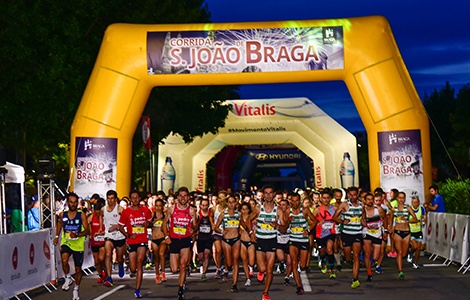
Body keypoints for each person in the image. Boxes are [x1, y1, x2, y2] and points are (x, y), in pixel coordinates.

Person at [162, 187, 197, 300]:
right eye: (180, 196)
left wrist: (193, 229)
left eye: (185, 196)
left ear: (188, 197)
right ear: (178, 197)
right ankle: (183, 276)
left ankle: (181, 289)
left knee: (182, 265)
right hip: (174, 240)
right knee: (173, 269)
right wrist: (166, 236)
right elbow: (164, 224)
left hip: (186, 240)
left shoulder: (192, 210)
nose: (183, 198)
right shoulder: (171, 209)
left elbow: (195, 225)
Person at [53, 192, 90, 300]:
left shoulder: (81, 214)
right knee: (64, 260)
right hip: (67, 242)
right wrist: (56, 236)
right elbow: (59, 223)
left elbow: (87, 231)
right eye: (71, 202)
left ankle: (76, 290)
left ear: (77, 203)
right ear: (68, 203)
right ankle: (68, 277)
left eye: (75, 202)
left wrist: (78, 234)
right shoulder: (62, 214)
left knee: (78, 270)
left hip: (78, 244)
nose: (73, 204)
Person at [252, 184, 286, 300]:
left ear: (274, 194)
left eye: (270, 193)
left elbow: (284, 228)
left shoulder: (278, 210)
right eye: (266, 193)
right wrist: (251, 233)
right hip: (260, 240)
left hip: (272, 240)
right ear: (263, 195)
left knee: (269, 269)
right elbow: (247, 220)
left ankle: (265, 293)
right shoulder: (258, 208)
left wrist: (277, 225)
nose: (268, 195)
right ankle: (260, 272)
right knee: (262, 268)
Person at [118, 190, 152, 298]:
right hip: (132, 241)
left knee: (139, 262)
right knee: (133, 268)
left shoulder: (145, 210)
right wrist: (128, 234)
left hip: (142, 239)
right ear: (130, 199)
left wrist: (148, 223)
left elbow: (150, 221)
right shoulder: (126, 212)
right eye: (133, 198)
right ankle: (129, 267)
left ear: (139, 198)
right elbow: (120, 226)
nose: (135, 199)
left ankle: (137, 289)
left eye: (137, 197)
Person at [333, 186, 363, 289]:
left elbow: (363, 215)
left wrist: (363, 221)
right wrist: (342, 221)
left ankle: (355, 279)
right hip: (346, 233)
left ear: (357, 195)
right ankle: (345, 258)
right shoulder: (344, 205)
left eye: (355, 195)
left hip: (357, 233)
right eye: (350, 195)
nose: (353, 197)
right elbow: (334, 217)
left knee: (356, 256)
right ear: (348, 195)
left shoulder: (361, 204)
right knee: (348, 257)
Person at [287, 192, 315, 295]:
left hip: (303, 240)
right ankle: (299, 286)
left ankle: (300, 269)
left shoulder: (305, 210)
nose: (295, 203)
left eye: (296, 200)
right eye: (292, 201)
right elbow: (284, 225)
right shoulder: (288, 211)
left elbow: (315, 221)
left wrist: (308, 229)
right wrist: (288, 221)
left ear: (300, 201)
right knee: (294, 262)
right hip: (293, 239)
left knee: (302, 265)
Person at [214, 194, 242, 292]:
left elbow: (243, 224)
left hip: (236, 239)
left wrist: (242, 230)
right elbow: (215, 227)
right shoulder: (223, 214)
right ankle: (226, 269)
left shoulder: (239, 214)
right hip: (226, 240)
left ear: (236, 203)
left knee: (235, 261)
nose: (231, 204)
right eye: (229, 202)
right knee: (229, 262)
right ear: (226, 203)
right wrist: (221, 231)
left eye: (233, 202)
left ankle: (234, 284)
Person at [100, 190, 127, 287]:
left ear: (116, 199)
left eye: (112, 198)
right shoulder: (103, 209)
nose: (110, 201)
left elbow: (126, 221)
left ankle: (120, 264)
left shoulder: (120, 209)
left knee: (119, 257)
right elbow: (100, 216)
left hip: (120, 236)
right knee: (108, 254)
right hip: (109, 235)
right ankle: (109, 276)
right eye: (108, 198)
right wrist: (101, 228)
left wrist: (117, 226)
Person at [390, 191, 418, 279]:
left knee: (404, 253)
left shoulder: (408, 208)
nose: (401, 199)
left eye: (403, 198)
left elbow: (415, 219)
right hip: (398, 232)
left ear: (405, 199)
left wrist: (407, 220)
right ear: (397, 198)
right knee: (399, 252)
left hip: (406, 232)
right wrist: (391, 228)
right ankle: (400, 271)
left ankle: (404, 261)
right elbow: (390, 219)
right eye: (400, 198)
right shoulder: (394, 208)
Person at [312, 190, 337, 279]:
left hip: (331, 232)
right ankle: (322, 260)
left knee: (330, 249)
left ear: (330, 199)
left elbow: (338, 218)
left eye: (327, 198)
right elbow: (311, 220)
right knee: (322, 251)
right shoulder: (317, 210)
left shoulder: (334, 209)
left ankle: (331, 270)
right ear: (321, 199)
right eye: (324, 198)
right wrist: (318, 222)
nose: (326, 200)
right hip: (320, 234)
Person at [362, 193, 385, 282]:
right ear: (365, 200)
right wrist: (362, 222)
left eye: (371, 199)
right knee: (367, 254)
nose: (370, 201)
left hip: (377, 233)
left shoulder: (378, 209)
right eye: (368, 199)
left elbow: (385, 219)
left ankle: (371, 259)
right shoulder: (362, 210)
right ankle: (369, 274)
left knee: (375, 257)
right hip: (366, 232)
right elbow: (360, 219)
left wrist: (386, 230)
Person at [88, 198, 106, 285]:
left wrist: (102, 232)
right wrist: (90, 232)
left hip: (102, 241)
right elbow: (87, 225)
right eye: (96, 213)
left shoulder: (104, 217)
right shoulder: (91, 216)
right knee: (96, 260)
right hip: (94, 241)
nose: (98, 214)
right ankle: (100, 275)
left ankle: (104, 270)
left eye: (99, 213)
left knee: (102, 258)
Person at [150, 198, 168, 284]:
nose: (158, 207)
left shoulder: (165, 215)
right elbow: (149, 225)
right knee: (156, 258)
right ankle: (157, 274)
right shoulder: (152, 215)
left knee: (161, 254)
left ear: (162, 207)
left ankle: (163, 273)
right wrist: (157, 219)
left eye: (160, 206)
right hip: (154, 239)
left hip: (163, 238)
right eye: (156, 206)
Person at [210, 190, 227, 279]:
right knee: (218, 250)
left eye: (222, 197)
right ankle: (218, 267)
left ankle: (226, 268)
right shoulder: (214, 208)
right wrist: (212, 224)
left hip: (227, 232)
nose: (220, 199)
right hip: (217, 231)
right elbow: (210, 216)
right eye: (219, 197)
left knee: (226, 251)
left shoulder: (228, 208)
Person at [195, 197, 213, 281]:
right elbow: (194, 226)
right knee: (201, 256)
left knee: (206, 254)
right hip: (200, 238)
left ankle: (204, 273)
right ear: (200, 206)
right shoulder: (198, 214)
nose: (204, 207)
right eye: (203, 205)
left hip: (208, 237)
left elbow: (213, 224)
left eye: (206, 205)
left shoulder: (211, 214)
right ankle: (201, 263)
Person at [239, 201, 256, 287]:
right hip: (242, 241)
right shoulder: (239, 219)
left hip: (251, 242)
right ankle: (247, 278)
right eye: (243, 209)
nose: (244, 211)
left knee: (251, 262)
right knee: (244, 260)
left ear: (249, 210)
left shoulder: (252, 219)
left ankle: (251, 268)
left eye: (246, 209)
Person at [276, 199, 292, 286]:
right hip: (279, 240)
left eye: (284, 205)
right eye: (280, 205)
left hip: (289, 240)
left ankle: (287, 277)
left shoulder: (291, 216)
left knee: (289, 262)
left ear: (288, 206)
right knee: (281, 258)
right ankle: (281, 263)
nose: (282, 206)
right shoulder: (277, 216)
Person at [373, 191, 389, 274]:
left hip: (382, 230)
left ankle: (378, 266)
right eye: (376, 201)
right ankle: (373, 260)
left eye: (379, 200)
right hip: (372, 231)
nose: (378, 202)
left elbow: (387, 218)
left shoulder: (385, 208)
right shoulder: (370, 208)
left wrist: (386, 230)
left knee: (382, 249)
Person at [409, 195, 426, 269]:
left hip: (418, 230)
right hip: (411, 231)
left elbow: (423, 217)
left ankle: (415, 263)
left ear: (419, 202)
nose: (415, 204)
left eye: (417, 202)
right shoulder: (409, 210)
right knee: (414, 246)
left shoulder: (421, 209)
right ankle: (410, 254)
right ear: (412, 203)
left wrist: (423, 220)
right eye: (414, 202)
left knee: (419, 248)